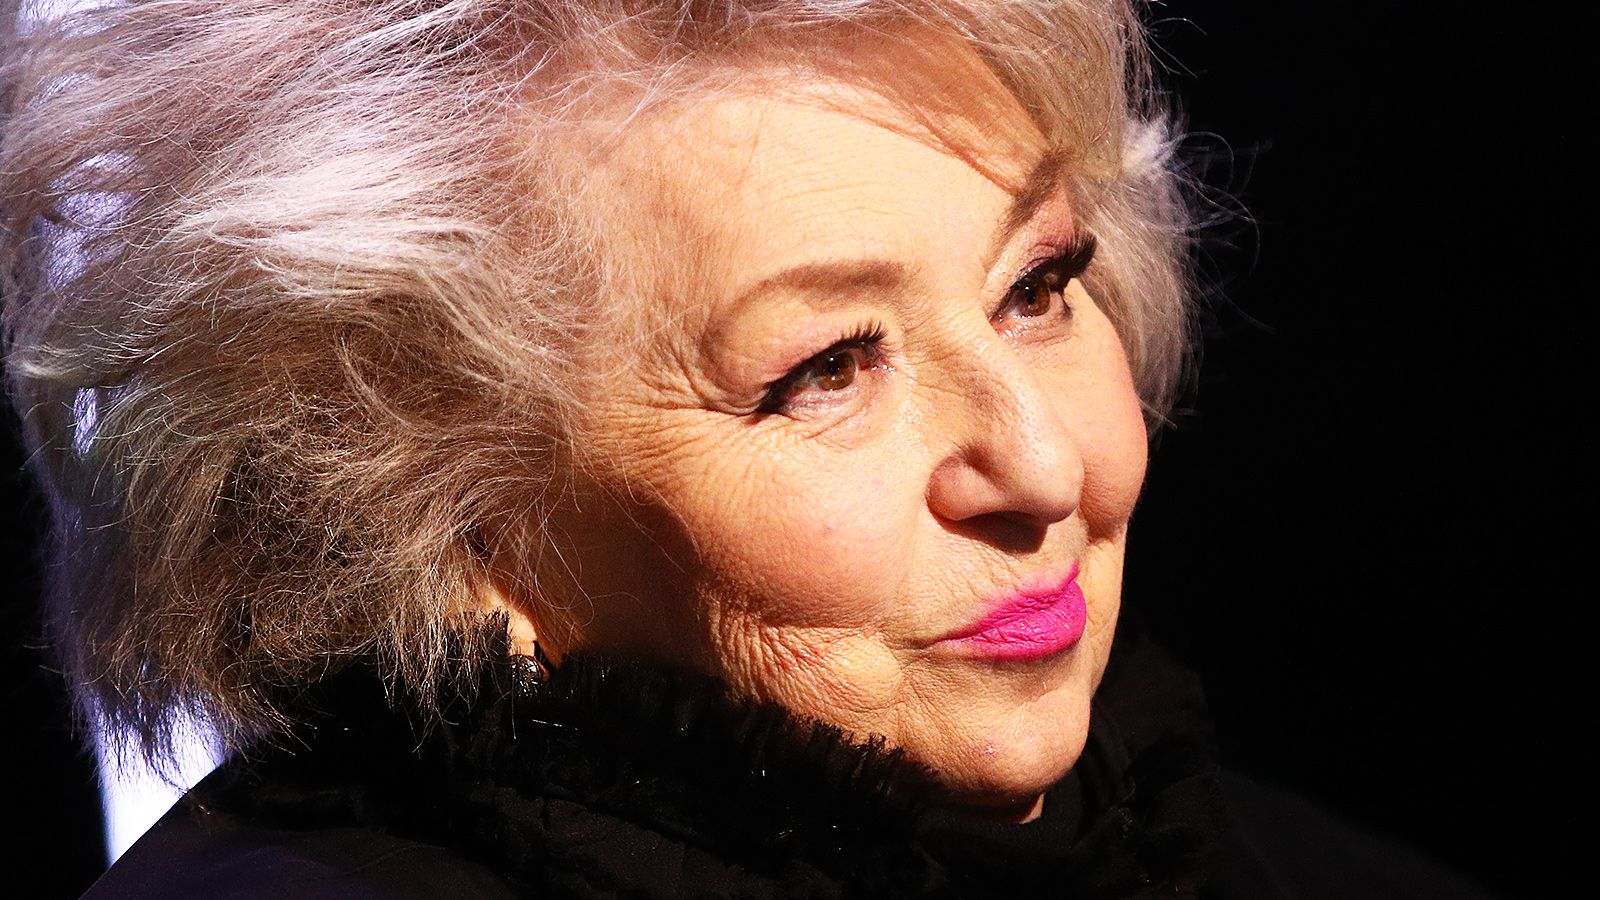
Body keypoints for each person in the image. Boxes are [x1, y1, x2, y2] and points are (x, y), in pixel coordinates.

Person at [0, 1, 1499, 897]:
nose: (1045, 468)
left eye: (1038, 285)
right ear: (442, 516)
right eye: (824, 371)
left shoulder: (1236, 850)